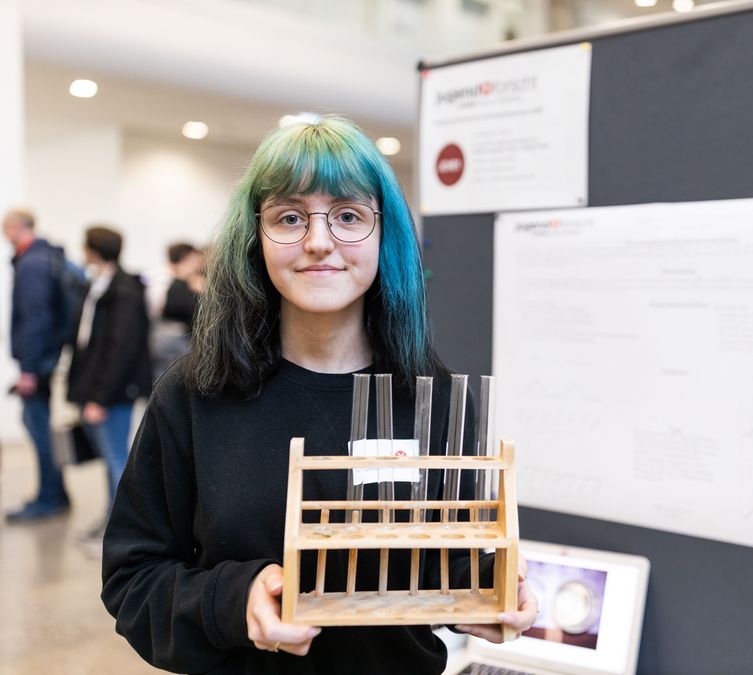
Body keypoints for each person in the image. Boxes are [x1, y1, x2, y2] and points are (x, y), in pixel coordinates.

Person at [100, 116, 537, 674]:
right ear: (255, 237)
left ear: (386, 234)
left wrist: (477, 588)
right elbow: (133, 580)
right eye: (289, 217)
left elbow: (441, 559)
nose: (318, 241)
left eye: (349, 215)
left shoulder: (435, 396)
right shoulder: (195, 393)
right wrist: (235, 601)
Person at [68, 225, 152, 530]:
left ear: (93, 249)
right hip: (95, 388)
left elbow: (120, 349)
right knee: (109, 456)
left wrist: (100, 397)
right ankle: (112, 519)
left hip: (113, 392)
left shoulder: (124, 290)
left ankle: (124, 529)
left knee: (117, 458)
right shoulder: (99, 284)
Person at [3, 208, 71, 522]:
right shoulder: (44, 258)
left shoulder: (31, 263)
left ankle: (48, 499)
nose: (5, 234)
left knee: (38, 429)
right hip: (45, 358)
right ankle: (57, 493)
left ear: (18, 228)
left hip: (38, 363)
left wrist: (28, 369)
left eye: (6, 227)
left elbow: (36, 318)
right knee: (39, 426)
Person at [149, 242, 204, 379]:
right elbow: (165, 306)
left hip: (177, 340)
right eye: (194, 259)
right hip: (170, 340)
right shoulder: (165, 277)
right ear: (185, 258)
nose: (198, 263)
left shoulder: (187, 280)